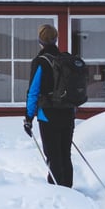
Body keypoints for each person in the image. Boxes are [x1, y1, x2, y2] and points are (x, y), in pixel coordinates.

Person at [23, 23, 76, 187]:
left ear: (40, 40)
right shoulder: (66, 60)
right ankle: (69, 188)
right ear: (56, 39)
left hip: (48, 114)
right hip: (67, 113)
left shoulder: (40, 61)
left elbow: (33, 91)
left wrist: (28, 117)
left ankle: (57, 190)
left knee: (53, 155)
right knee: (65, 153)